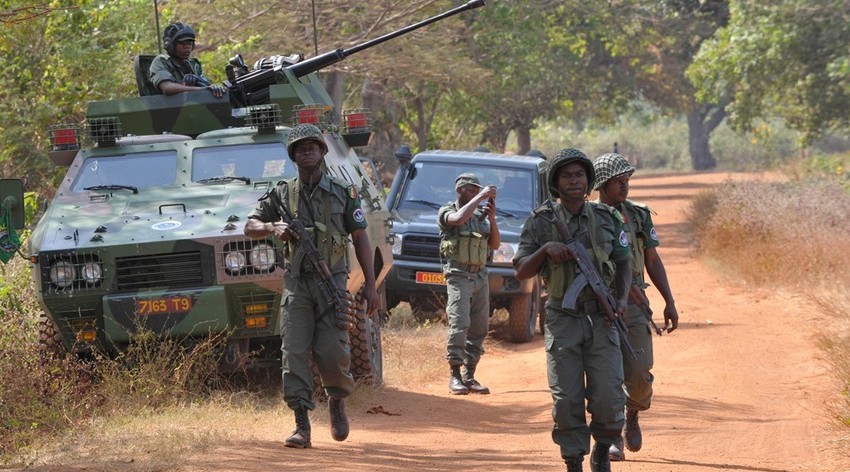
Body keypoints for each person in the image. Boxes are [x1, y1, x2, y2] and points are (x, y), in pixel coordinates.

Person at [243, 123, 379, 449]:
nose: (306, 151)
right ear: (293, 155)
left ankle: (336, 401)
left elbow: (360, 237)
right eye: (300, 147)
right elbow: (249, 226)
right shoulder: (281, 193)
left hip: (332, 283)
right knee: (294, 353)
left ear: (322, 151)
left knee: (332, 352)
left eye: (312, 146)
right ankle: (301, 424)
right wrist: (273, 227)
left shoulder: (343, 192)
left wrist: (371, 285)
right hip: (298, 285)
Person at [513, 148, 631, 472]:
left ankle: (603, 448)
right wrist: (546, 250)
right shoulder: (541, 221)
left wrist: (620, 301)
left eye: (579, 175)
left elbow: (623, 263)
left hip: (602, 316)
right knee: (566, 399)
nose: (575, 181)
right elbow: (521, 270)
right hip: (562, 317)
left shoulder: (607, 218)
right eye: (567, 176)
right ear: (556, 182)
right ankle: (573, 460)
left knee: (609, 395)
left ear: (588, 180)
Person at [592, 152, 679, 462]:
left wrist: (669, 300)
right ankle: (612, 435)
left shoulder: (639, 215)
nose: (625, 187)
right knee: (606, 375)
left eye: (627, 181)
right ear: (602, 184)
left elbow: (652, 260)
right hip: (598, 305)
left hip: (634, 304)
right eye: (618, 182)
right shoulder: (587, 216)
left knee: (639, 373)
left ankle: (633, 415)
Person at [437, 173, 500, 395]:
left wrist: (491, 218)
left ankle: (469, 375)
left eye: (477, 190)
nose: (475, 193)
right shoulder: (448, 211)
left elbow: (495, 243)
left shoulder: (479, 217)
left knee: (479, 327)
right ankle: (454, 375)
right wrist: (480, 197)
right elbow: (457, 220)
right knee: (459, 324)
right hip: (458, 276)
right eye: (471, 190)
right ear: (460, 190)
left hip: (480, 277)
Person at [149, 21, 225, 97]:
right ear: (170, 45)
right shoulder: (161, 61)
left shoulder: (192, 64)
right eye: (182, 43)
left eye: (190, 43)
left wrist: (212, 87)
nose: (187, 47)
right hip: (168, 106)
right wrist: (203, 89)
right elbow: (167, 88)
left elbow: (207, 85)